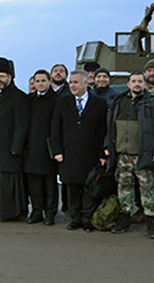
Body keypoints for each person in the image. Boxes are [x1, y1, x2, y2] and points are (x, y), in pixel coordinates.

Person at [51, 70, 107, 232]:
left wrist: (103, 154)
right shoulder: (63, 102)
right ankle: (75, 218)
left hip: (91, 153)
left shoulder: (99, 103)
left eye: (76, 82)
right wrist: (57, 151)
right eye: (71, 82)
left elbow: (103, 130)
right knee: (72, 188)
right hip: (69, 153)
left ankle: (87, 219)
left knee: (89, 188)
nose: (72, 85)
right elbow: (55, 129)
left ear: (86, 83)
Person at [104, 71, 154, 238]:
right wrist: (107, 146)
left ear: (145, 84)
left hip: (143, 154)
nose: (137, 84)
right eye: (133, 81)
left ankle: (151, 221)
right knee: (124, 188)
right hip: (122, 155)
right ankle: (125, 218)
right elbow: (110, 127)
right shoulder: (119, 102)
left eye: (140, 81)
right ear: (128, 84)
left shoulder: (151, 102)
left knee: (148, 189)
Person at [0, 57, 28, 221]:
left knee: (8, 183)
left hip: (9, 149)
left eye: (2, 77)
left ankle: (9, 213)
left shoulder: (19, 97)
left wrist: (16, 147)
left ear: (10, 78)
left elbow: (21, 125)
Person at [24, 70, 58, 225]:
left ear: (49, 81)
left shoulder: (57, 100)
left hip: (49, 147)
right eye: (37, 81)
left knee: (50, 183)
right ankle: (37, 211)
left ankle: (50, 212)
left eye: (43, 80)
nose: (40, 84)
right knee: (34, 182)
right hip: (31, 147)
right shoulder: (29, 100)